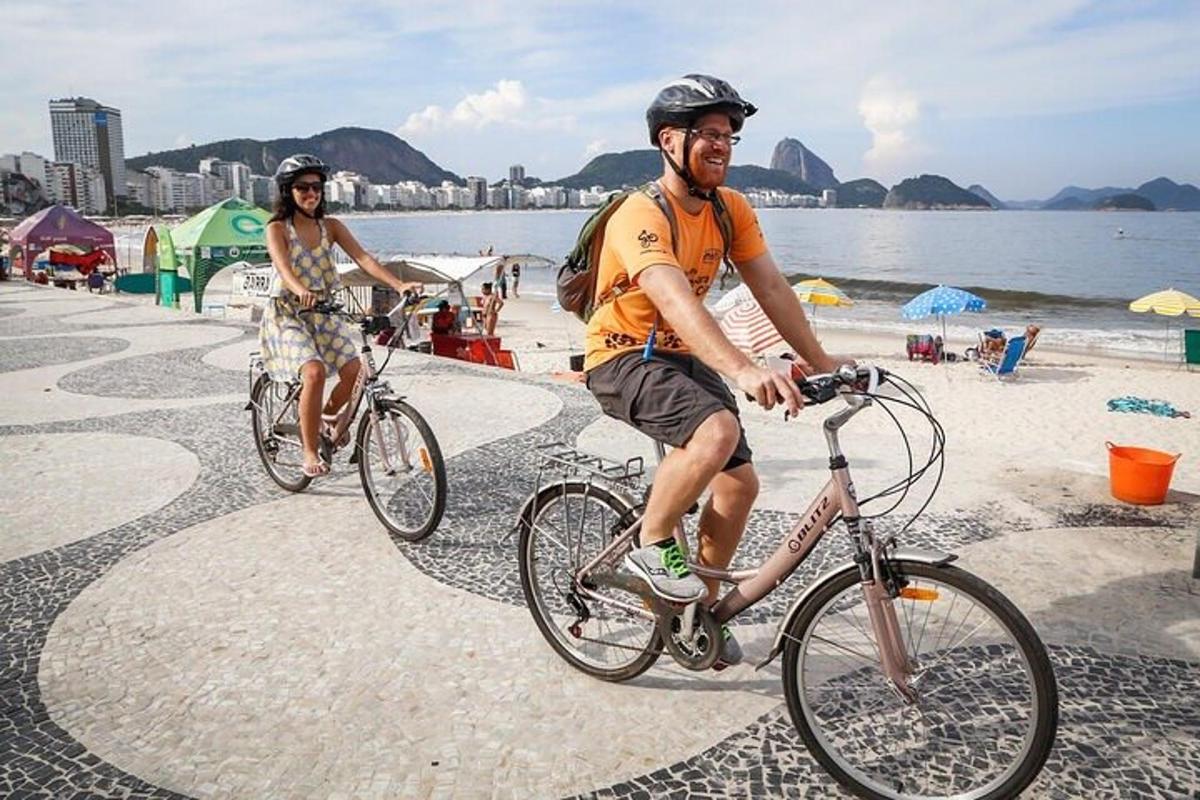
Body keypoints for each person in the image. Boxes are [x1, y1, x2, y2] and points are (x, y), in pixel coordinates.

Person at [583, 74, 850, 667]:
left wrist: (826, 362)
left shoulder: (731, 210)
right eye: (707, 133)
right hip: (623, 353)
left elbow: (774, 288)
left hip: (682, 354)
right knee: (716, 431)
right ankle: (653, 544)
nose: (722, 145)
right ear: (668, 141)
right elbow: (673, 295)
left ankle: (694, 614)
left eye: (730, 134)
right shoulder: (638, 213)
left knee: (739, 482)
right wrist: (744, 368)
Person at [258, 154, 420, 478]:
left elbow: (363, 259)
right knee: (314, 373)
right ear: (288, 191)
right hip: (288, 313)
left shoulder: (330, 227)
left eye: (317, 187)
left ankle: (326, 418)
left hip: (323, 313)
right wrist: (300, 288)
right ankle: (308, 450)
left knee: (356, 372)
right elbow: (283, 268)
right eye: (303, 188)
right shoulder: (278, 228)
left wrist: (399, 284)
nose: (311, 194)